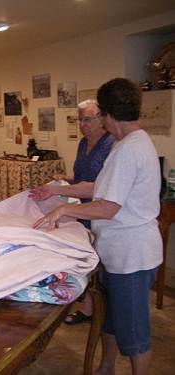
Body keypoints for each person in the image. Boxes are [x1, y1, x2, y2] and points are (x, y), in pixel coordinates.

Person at [30, 78, 162, 375]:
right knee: (112, 319)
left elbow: (107, 207)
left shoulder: (129, 150)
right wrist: (57, 193)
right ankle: (105, 367)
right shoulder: (128, 143)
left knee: (134, 332)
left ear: (106, 114)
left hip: (132, 256)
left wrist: (65, 210)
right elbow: (98, 188)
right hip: (121, 253)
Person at [54, 99, 114, 325]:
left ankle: (99, 309)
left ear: (102, 118)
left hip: (100, 210)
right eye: (79, 120)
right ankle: (88, 308)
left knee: (99, 261)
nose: (82, 124)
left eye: (87, 119)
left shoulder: (110, 145)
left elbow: (98, 185)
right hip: (80, 208)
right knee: (84, 257)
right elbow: (80, 176)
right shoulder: (82, 143)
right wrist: (64, 179)